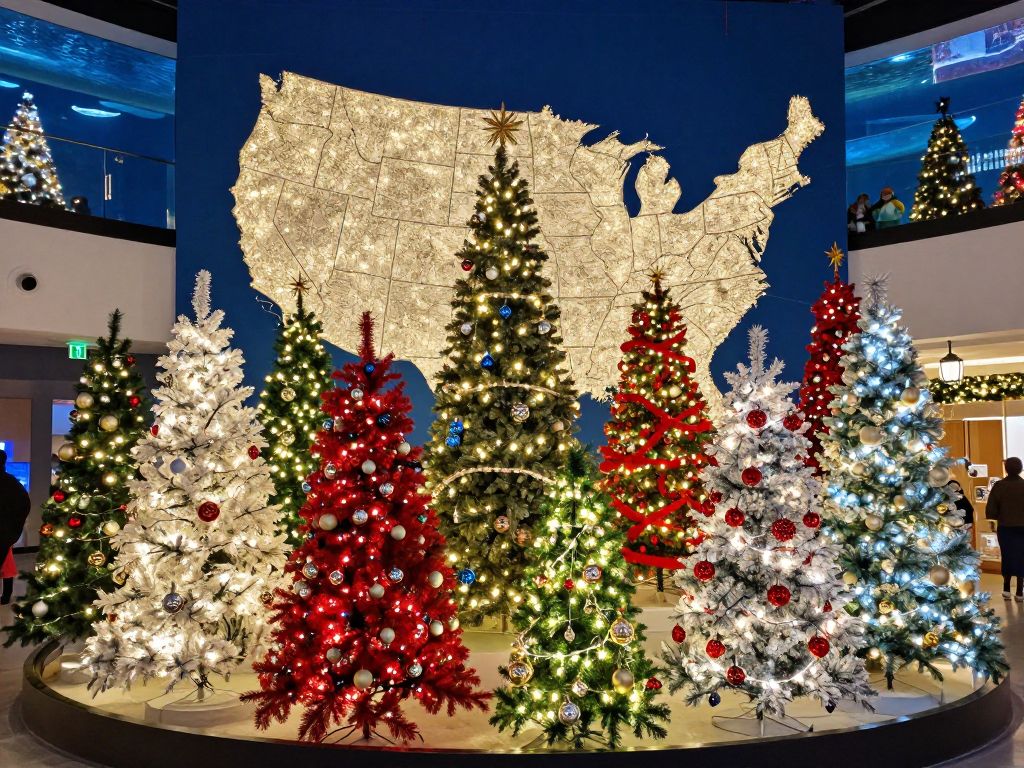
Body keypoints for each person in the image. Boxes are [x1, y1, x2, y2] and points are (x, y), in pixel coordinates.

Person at [987, 457, 1024, 600]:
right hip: (1023, 527)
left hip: (1005, 527)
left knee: (1007, 555)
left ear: (1006, 468)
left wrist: (992, 522)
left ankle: (1006, 588)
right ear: (1020, 468)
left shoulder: (999, 485)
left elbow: (991, 507)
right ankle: (1020, 591)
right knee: (1022, 556)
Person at [0, 448, 31, 605]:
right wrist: (14, 529)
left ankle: (6, 595)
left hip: (6, 532)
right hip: (7, 533)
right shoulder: (12, 482)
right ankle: (6, 595)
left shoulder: (11, 483)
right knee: (6, 565)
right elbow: (24, 505)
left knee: (6, 565)